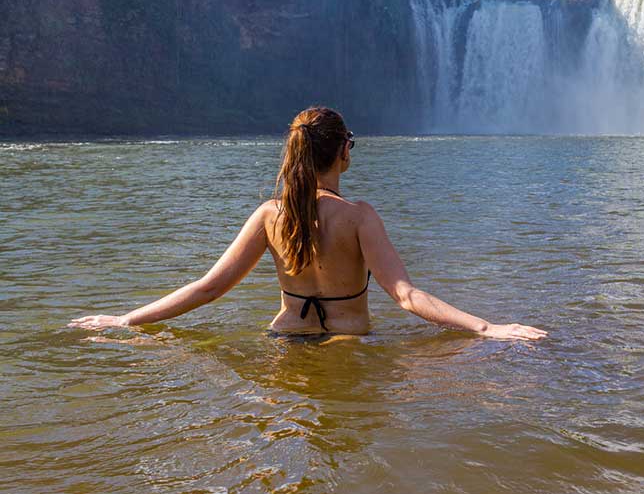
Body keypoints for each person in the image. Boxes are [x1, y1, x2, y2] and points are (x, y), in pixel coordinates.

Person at [68, 106, 547, 341]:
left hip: (284, 342)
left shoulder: (270, 214)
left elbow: (209, 289)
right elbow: (406, 296)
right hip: (346, 347)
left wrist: (127, 319)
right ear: (342, 151)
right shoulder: (358, 216)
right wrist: (487, 329)